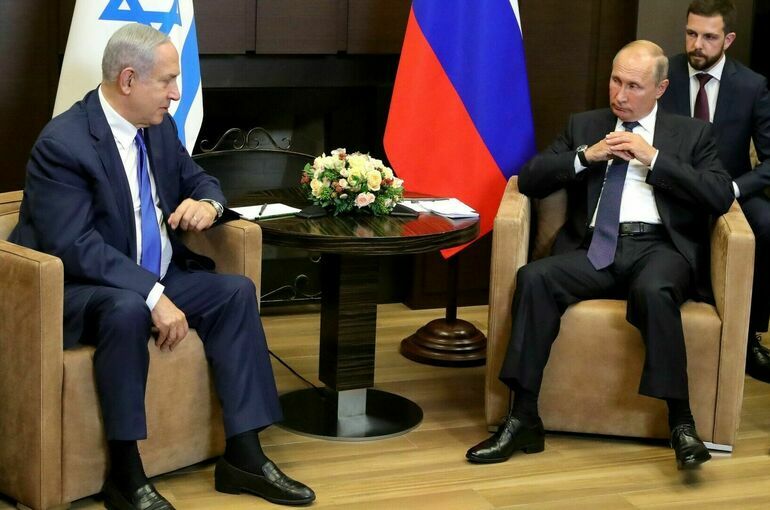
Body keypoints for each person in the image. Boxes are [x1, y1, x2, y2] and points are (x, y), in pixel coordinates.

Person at [10, 24, 315, 509]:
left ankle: (244, 456)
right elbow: (74, 245)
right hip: (82, 287)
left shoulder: (158, 127)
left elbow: (200, 178)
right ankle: (125, 475)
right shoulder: (63, 143)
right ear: (128, 80)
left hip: (159, 274)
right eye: (168, 80)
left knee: (235, 292)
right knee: (127, 309)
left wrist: (209, 205)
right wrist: (153, 296)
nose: (176, 94)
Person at [466, 40, 734, 470]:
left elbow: (720, 195)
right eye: (615, 81)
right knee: (535, 278)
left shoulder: (691, 134)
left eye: (633, 86)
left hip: (659, 249)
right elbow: (530, 179)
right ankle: (523, 418)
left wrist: (654, 158)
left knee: (654, 289)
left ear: (661, 88)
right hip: (595, 248)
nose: (620, 95)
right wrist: (585, 157)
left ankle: (682, 423)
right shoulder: (585, 125)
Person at [658, 0, 770, 383]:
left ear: (729, 39)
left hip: (731, 189)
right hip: (672, 185)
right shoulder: (664, 74)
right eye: (691, 33)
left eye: (709, 37)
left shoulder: (752, 86)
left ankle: (749, 337)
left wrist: (734, 188)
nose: (697, 45)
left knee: (767, 225)